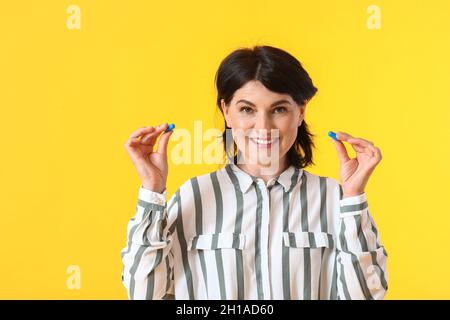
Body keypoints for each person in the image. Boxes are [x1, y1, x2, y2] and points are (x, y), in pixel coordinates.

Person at [121, 45, 388, 300]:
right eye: (247, 109)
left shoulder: (333, 198)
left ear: (301, 111)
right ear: (226, 112)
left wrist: (353, 198)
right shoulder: (194, 196)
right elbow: (143, 293)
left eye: (279, 109)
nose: (263, 126)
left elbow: (366, 294)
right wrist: (152, 191)